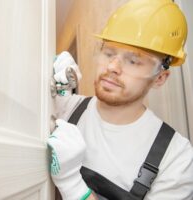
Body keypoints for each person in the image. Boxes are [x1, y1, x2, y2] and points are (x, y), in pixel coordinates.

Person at [47, 0, 193, 199]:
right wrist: (50, 81)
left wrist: (72, 185)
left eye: (133, 60)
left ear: (160, 77)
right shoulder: (68, 108)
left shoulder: (176, 156)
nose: (112, 67)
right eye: (108, 53)